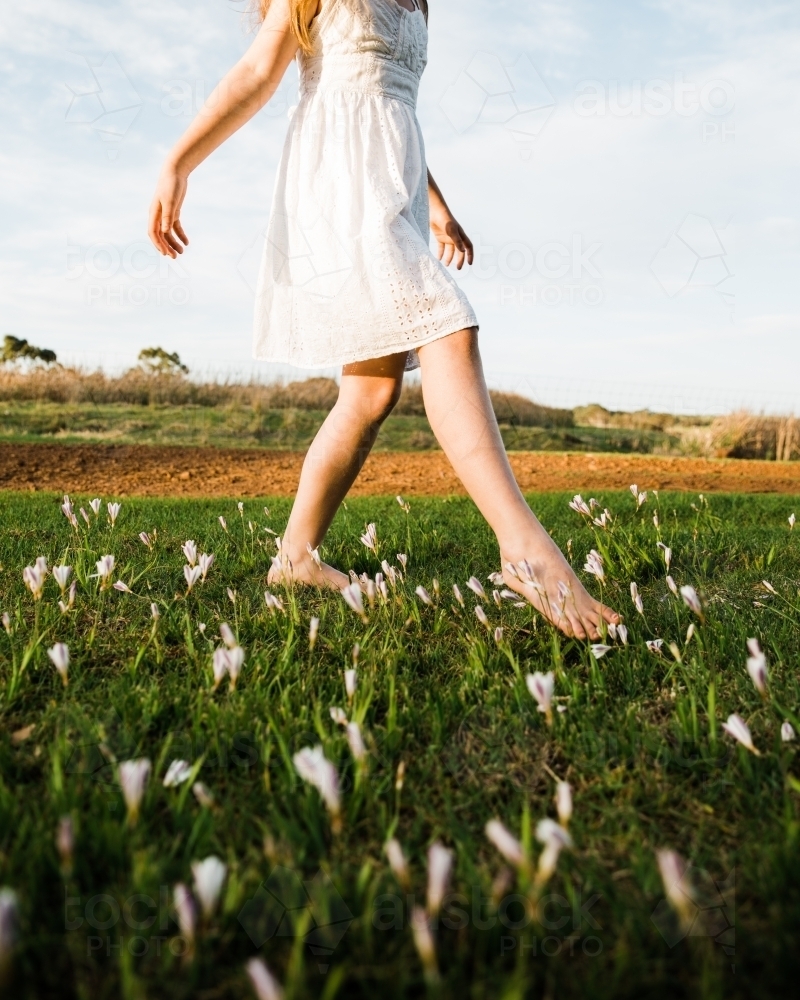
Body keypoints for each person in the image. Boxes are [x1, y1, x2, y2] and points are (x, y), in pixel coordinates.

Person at [148, 0, 619, 639]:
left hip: (390, 192)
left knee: (371, 391)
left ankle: (295, 558)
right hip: (337, 191)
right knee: (450, 326)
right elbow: (259, 72)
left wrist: (437, 208)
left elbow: (392, 110)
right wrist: (178, 161)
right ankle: (527, 554)